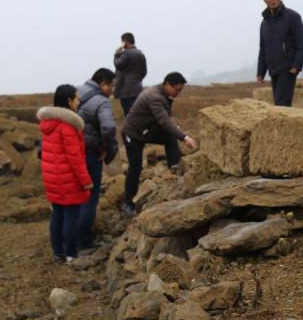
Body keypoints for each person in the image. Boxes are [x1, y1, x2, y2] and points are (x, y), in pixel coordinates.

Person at [121, 72, 197, 214]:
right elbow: (164, 121)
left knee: (169, 137)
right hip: (133, 134)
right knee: (135, 167)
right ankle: (128, 202)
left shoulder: (163, 94)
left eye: (181, 90)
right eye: (177, 89)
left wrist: (177, 132)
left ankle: (175, 170)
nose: (178, 93)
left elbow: (165, 122)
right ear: (167, 84)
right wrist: (185, 138)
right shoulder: (154, 97)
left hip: (147, 131)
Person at [38, 84, 93, 263]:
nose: (79, 101)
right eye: (76, 98)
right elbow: (75, 158)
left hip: (52, 178)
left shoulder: (49, 125)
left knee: (57, 215)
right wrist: (86, 181)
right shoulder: (67, 127)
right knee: (70, 216)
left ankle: (58, 252)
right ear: (69, 101)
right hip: (68, 179)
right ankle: (71, 253)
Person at [76, 67, 118, 250]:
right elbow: (108, 128)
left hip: (73, 151)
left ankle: (69, 237)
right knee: (90, 197)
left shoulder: (77, 94)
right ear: (103, 84)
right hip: (91, 152)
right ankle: (85, 241)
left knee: (75, 195)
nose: (113, 91)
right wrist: (106, 149)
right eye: (112, 86)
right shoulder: (101, 101)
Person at [256, 0, 303, 107]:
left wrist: (296, 66)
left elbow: (302, 45)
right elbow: (263, 49)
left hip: (288, 69)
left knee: (281, 104)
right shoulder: (264, 24)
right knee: (280, 105)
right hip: (273, 70)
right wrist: (260, 72)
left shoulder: (293, 17)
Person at [113, 32, 147, 115]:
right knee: (137, 113)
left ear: (124, 42)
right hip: (137, 88)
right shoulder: (140, 53)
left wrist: (116, 54)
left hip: (126, 91)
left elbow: (118, 64)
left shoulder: (127, 53)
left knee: (129, 115)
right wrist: (137, 79)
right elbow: (144, 72)